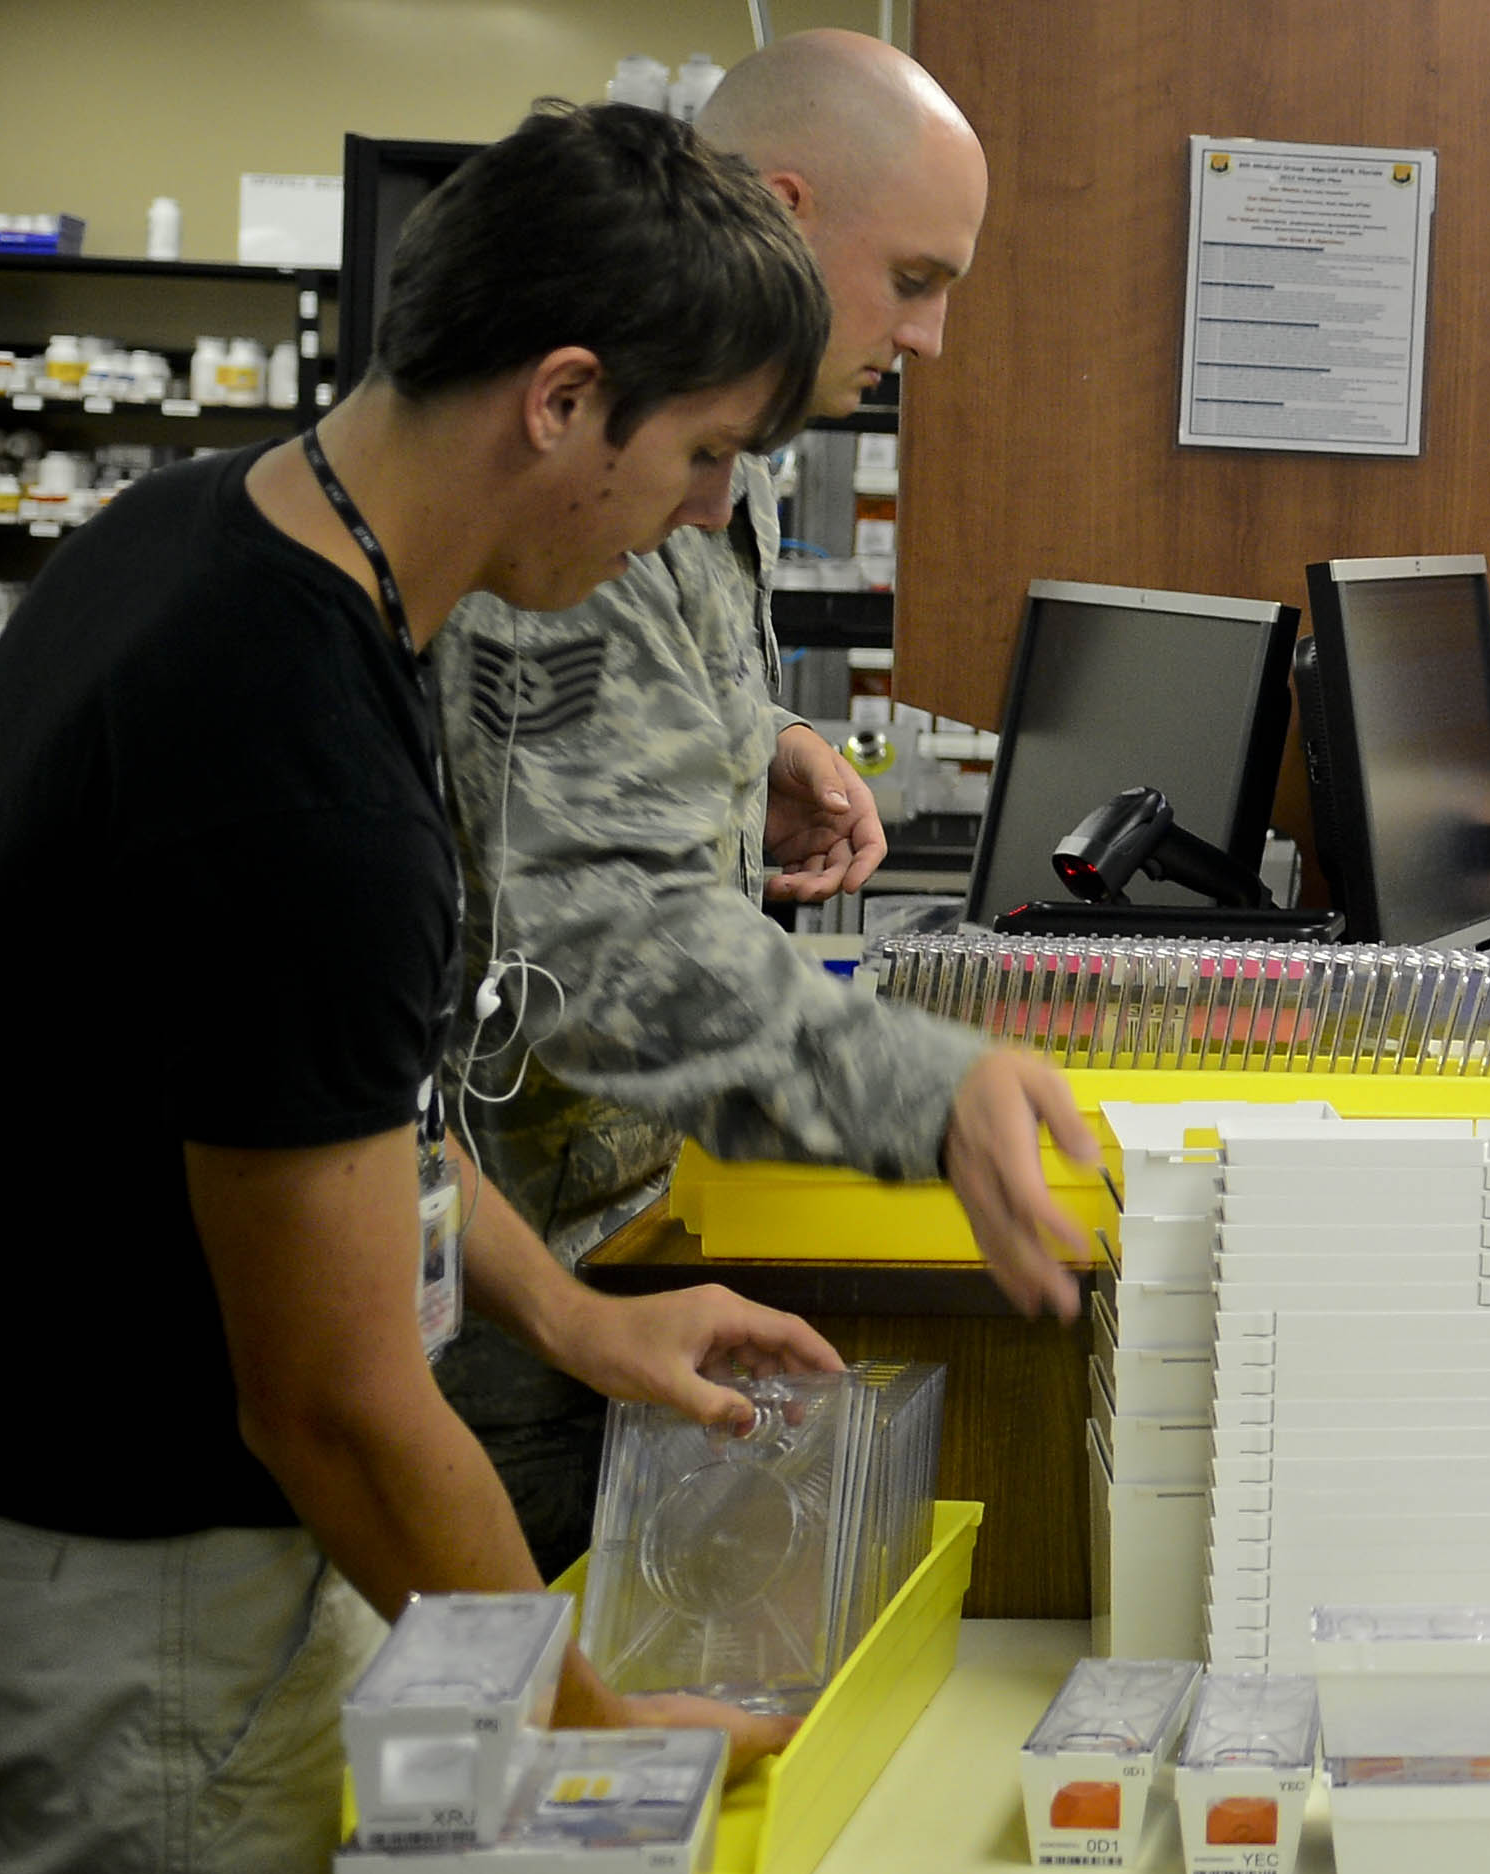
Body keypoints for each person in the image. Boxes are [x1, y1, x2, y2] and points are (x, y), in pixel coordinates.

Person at [0, 103, 850, 1874]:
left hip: (2, 1496)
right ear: (564, 401)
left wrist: (571, 1310)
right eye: (700, 457)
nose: (696, 523)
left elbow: (324, 1107)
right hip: (119, 1588)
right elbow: (338, 1400)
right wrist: (585, 1730)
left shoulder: (220, 534)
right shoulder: (295, 765)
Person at [428, 29, 1093, 1574]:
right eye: (915, 278)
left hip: (577, 1241)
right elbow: (595, 951)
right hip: (498, 1292)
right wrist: (921, 1087)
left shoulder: (677, 437)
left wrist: (758, 739)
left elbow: (594, 728)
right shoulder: (585, 465)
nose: (928, 336)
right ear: (785, 213)